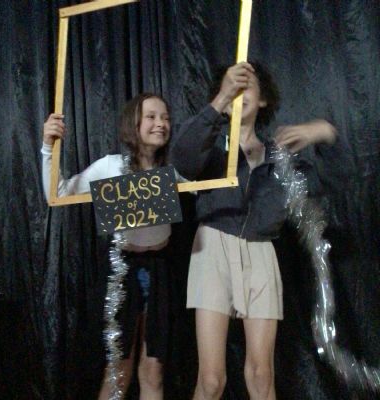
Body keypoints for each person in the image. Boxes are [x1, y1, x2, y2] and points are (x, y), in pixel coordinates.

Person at [170, 62, 338, 400]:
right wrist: (220, 99)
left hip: (261, 250)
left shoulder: (280, 157)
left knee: (262, 377)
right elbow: (182, 159)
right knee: (211, 381)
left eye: (247, 85)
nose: (239, 92)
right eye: (233, 85)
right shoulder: (212, 147)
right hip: (213, 245)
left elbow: (333, 184)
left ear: (263, 99)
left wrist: (323, 133)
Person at [41, 93, 177, 400]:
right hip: (121, 271)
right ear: (134, 123)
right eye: (152, 116)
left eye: (166, 118)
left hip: (161, 270)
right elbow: (57, 194)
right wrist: (49, 147)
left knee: (153, 370)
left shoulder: (172, 169)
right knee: (118, 370)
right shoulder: (110, 166)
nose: (161, 123)